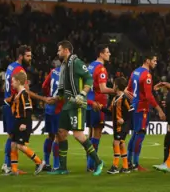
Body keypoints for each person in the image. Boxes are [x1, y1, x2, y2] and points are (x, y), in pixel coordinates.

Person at [46, 40, 104, 176]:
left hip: (77, 104)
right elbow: (63, 89)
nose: (58, 52)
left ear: (66, 50)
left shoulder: (77, 63)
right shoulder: (65, 65)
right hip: (67, 103)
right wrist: (54, 99)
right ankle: (63, 167)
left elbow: (89, 79)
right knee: (61, 133)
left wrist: (83, 94)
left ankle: (98, 162)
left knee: (78, 135)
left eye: (59, 50)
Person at [2, 46, 51, 175]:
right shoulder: (20, 71)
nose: (30, 58)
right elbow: (26, 91)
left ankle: (9, 165)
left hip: (8, 105)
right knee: (14, 138)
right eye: (28, 56)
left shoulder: (10, 67)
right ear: (20, 56)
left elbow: (5, 85)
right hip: (14, 107)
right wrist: (43, 98)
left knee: (11, 137)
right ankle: (9, 165)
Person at [126, 52, 166, 172]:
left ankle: (128, 161)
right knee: (140, 134)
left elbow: (128, 90)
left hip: (134, 107)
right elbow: (149, 96)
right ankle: (136, 164)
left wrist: (134, 100)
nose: (155, 63)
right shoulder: (147, 75)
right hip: (142, 108)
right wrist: (159, 110)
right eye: (154, 60)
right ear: (147, 60)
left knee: (135, 134)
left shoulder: (135, 72)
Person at [7, 71, 46, 176]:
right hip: (18, 121)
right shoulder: (17, 94)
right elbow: (7, 102)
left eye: (13, 82)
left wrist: (24, 124)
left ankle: (39, 162)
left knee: (20, 145)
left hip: (24, 122)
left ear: (19, 82)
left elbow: (28, 110)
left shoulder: (24, 94)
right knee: (13, 145)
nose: (11, 84)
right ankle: (14, 170)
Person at [86, 45, 115, 172]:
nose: (109, 54)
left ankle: (89, 164)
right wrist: (117, 91)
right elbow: (103, 89)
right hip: (98, 104)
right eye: (107, 52)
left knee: (91, 133)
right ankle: (92, 164)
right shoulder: (101, 69)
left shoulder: (90, 66)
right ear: (101, 54)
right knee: (97, 134)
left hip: (88, 102)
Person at [107, 76, 132, 174]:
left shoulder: (124, 98)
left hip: (123, 126)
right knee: (121, 143)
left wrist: (124, 119)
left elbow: (130, 110)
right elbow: (110, 112)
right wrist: (100, 108)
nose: (112, 86)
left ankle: (115, 166)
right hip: (116, 125)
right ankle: (125, 167)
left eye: (113, 84)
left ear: (116, 86)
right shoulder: (114, 99)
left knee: (116, 143)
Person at [41, 65, 63, 171]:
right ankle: (56, 165)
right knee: (58, 137)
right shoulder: (67, 73)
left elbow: (44, 86)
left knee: (50, 135)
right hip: (58, 107)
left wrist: (48, 96)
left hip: (49, 107)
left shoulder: (53, 71)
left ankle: (46, 163)